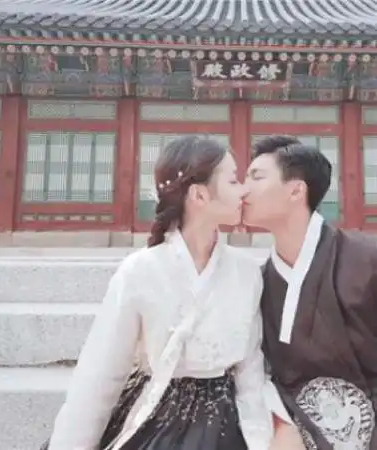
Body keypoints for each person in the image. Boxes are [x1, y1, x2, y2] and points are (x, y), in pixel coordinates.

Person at [44, 136, 274, 450]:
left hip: (226, 421)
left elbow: (250, 369)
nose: (243, 190)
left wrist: (261, 440)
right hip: (155, 415)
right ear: (199, 195)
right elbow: (101, 373)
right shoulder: (139, 271)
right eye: (233, 181)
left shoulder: (246, 271)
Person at [243, 135, 377, 450]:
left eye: (256, 177)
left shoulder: (368, 258)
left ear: (296, 190)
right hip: (300, 434)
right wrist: (280, 423)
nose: (243, 189)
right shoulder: (260, 282)